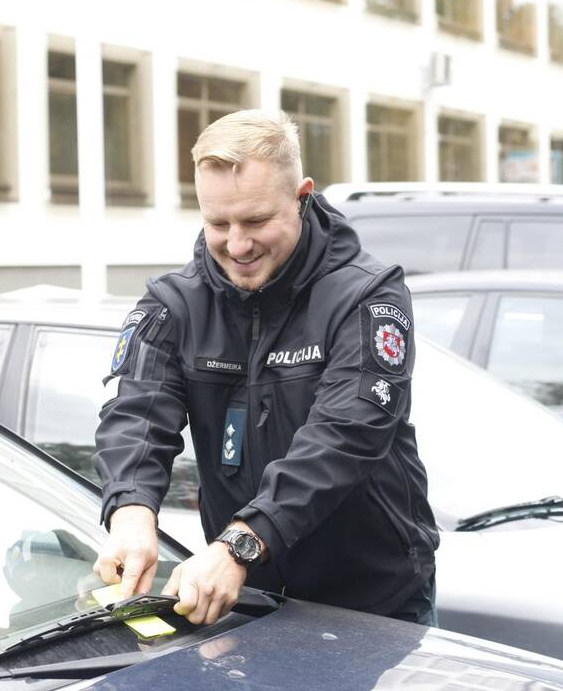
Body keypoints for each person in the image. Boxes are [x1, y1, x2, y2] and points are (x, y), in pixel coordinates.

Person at [92, 109, 439, 626]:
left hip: (372, 601)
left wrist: (241, 545)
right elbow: (136, 415)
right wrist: (130, 513)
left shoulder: (366, 295)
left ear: (302, 196)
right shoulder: (175, 303)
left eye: (255, 221)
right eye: (217, 223)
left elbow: (346, 435)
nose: (237, 245)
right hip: (245, 605)